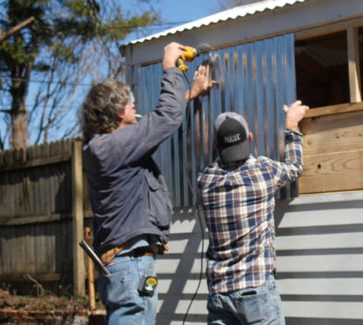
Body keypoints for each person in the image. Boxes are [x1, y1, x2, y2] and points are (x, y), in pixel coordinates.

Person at [80, 42, 216, 325]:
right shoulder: (115, 147)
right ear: (118, 112)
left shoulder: (102, 146)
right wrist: (169, 68)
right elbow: (165, 118)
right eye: (129, 102)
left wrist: (189, 94)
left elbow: (152, 123)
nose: (134, 105)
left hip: (122, 266)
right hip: (131, 266)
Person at [197, 100, 310, 325]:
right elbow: (295, 166)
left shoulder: (204, 180)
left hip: (219, 294)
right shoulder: (263, 172)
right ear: (250, 138)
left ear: (216, 147)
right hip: (255, 290)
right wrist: (291, 126)